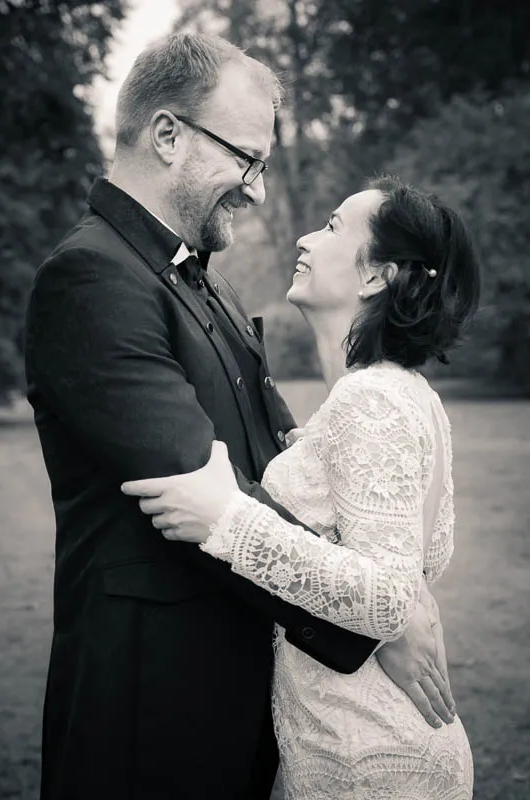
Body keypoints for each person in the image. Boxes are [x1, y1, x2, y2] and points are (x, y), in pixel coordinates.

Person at [25, 30, 453, 800]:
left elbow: (283, 461)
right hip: (150, 707)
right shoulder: (91, 278)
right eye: (246, 159)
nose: (256, 190)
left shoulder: (208, 284)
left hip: (246, 696)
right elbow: (195, 489)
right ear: (167, 135)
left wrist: (383, 597)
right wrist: (369, 623)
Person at [122, 175, 480, 799]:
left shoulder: (373, 400)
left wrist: (228, 521)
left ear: (376, 276)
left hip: (371, 758)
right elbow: (401, 557)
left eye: (334, 227)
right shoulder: (397, 394)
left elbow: (389, 598)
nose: (307, 238)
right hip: (348, 741)